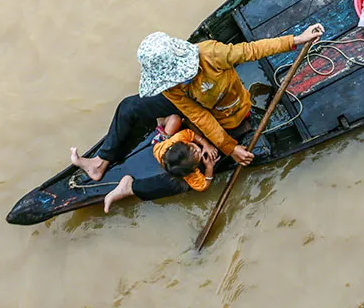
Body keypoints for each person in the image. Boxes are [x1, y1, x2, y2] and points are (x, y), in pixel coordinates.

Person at [70, 22, 325, 192]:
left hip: (226, 111)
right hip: (197, 110)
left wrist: (296, 40)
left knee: (191, 166)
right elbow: (197, 115)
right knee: (129, 107)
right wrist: (230, 147)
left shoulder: (211, 54)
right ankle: (100, 163)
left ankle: (130, 189)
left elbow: (251, 50)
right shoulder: (172, 87)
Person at [102, 120, 219, 213]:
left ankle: (162, 122)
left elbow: (191, 134)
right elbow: (204, 185)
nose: (198, 150)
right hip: (159, 150)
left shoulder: (179, 139)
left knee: (174, 119)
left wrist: (205, 144)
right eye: (197, 155)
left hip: (161, 145)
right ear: (192, 171)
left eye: (194, 148)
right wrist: (209, 167)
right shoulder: (191, 175)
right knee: (177, 184)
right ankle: (128, 187)